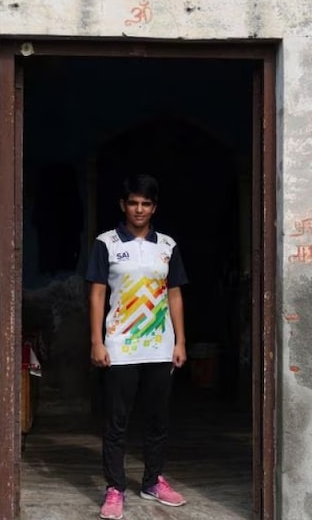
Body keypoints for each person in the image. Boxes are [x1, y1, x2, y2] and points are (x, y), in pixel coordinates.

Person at [85, 174, 188, 520]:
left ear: (154, 207)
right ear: (123, 205)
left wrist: (181, 340)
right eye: (133, 203)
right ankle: (115, 488)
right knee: (117, 421)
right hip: (120, 346)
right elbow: (97, 293)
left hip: (160, 346)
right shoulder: (107, 243)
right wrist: (97, 341)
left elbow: (174, 293)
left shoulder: (168, 246)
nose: (139, 209)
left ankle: (152, 481)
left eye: (146, 203)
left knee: (157, 419)